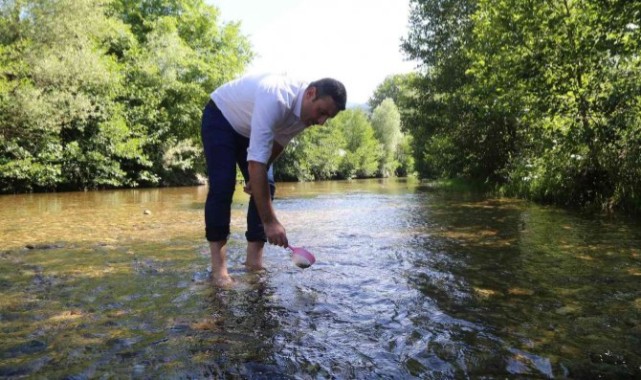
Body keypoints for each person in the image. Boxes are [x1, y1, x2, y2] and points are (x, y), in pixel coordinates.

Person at [201, 73, 347, 286]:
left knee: (265, 185)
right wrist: (270, 222)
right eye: (322, 113)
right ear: (310, 93)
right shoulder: (277, 97)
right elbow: (255, 163)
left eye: (328, 117)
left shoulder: (306, 116)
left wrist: (258, 176)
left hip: (250, 129)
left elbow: (278, 143)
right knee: (223, 185)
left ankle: (253, 264)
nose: (321, 121)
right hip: (222, 116)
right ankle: (219, 271)